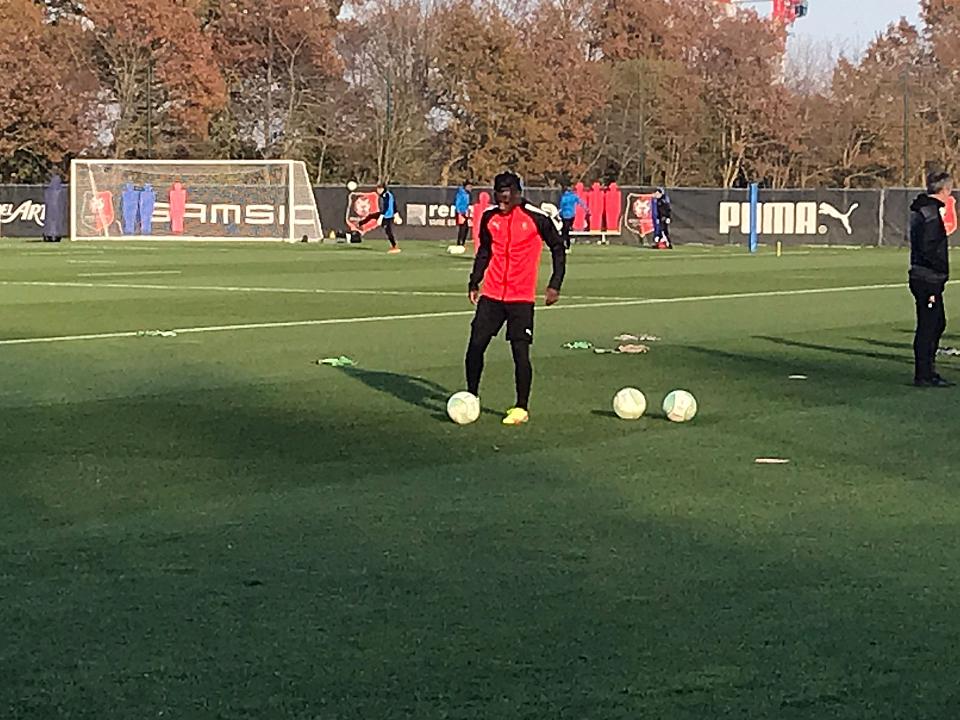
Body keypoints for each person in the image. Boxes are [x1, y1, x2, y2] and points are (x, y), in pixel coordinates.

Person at [465, 171, 566, 425]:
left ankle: (521, 407)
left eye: (506, 195)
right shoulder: (489, 217)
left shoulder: (536, 217)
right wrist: (474, 280)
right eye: (498, 195)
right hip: (492, 293)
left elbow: (558, 248)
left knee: (520, 353)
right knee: (476, 345)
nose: (501, 201)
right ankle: (471, 397)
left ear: (517, 193)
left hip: (521, 297)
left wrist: (554, 284)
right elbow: (485, 250)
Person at [909, 171, 953, 387]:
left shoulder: (924, 209)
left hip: (927, 276)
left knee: (937, 322)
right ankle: (924, 374)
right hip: (927, 277)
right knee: (929, 325)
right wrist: (940, 266)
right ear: (945, 190)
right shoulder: (930, 212)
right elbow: (928, 247)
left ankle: (928, 370)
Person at [359, 183, 400, 253]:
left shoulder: (387, 195)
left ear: (383, 189)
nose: (378, 190)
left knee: (388, 231)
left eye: (379, 189)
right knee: (371, 216)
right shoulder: (386, 195)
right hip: (385, 214)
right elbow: (393, 204)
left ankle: (395, 246)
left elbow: (387, 206)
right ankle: (360, 224)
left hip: (387, 216)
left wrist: (382, 216)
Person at [558, 184, 589, 251]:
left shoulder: (564, 198)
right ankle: (566, 245)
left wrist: (559, 214)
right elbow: (581, 202)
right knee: (566, 231)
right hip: (572, 216)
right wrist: (586, 209)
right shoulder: (573, 196)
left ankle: (566, 245)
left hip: (565, 216)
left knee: (564, 231)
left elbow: (561, 207)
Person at [455, 180, 473, 247]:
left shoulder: (467, 194)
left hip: (466, 212)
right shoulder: (461, 193)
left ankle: (462, 242)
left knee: (466, 228)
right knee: (462, 228)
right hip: (461, 212)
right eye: (469, 186)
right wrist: (460, 212)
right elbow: (458, 204)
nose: (470, 188)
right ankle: (460, 243)